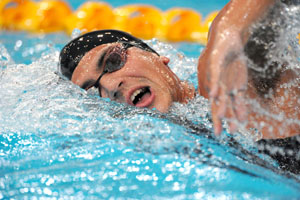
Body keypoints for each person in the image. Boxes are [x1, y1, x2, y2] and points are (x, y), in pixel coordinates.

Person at [59, 0, 299, 141]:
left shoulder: (238, 87)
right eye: (92, 91)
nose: (110, 87)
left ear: (156, 57)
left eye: (113, 61)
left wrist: (226, 32)